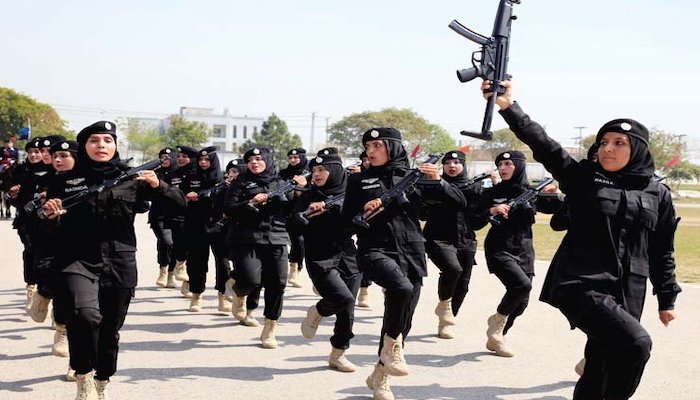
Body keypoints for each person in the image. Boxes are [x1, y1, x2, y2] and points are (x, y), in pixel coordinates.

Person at [483, 80, 681, 399]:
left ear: (639, 149)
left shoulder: (657, 193)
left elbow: (661, 248)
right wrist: (509, 107)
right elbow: (546, 147)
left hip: (629, 289)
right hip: (581, 283)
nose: (607, 148)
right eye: (604, 142)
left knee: (602, 360)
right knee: (636, 344)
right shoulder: (584, 178)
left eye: (619, 143)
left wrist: (666, 296)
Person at [41, 121, 185, 400]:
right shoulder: (65, 179)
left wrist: (159, 186)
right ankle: (82, 375)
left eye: (107, 140)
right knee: (84, 316)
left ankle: (102, 380)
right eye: (94, 140)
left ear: (115, 145)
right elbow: (48, 226)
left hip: (120, 260)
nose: (101, 146)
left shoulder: (130, 177)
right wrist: (50, 216)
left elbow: (179, 203)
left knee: (109, 330)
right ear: (84, 146)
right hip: (77, 258)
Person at [343, 128, 431, 400]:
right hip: (375, 249)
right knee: (401, 289)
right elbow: (346, 221)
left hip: (411, 251)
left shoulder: (412, 178)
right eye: (368, 145)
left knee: (403, 319)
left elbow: (436, 209)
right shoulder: (358, 180)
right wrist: (361, 214)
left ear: (392, 147)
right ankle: (391, 349)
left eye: (377, 145)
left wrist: (438, 183)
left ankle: (379, 376)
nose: (371, 150)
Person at [471, 149, 560, 357]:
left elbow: (558, 209)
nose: (502, 168)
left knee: (521, 303)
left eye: (508, 165)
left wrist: (554, 194)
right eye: (500, 165)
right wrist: (492, 211)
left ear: (519, 166)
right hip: (499, 249)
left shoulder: (532, 192)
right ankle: (497, 322)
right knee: (521, 285)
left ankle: (498, 337)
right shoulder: (491, 193)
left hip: (524, 250)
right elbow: (473, 221)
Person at [224, 147, 306, 348]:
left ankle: (270, 326)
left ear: (268, 160)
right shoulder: (240, 182)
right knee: (252, 279)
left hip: (276, 237)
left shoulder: (281, 183)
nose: (254, 162)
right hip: (246, 237)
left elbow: (292, 210)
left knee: (278, 284)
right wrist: (250, 202)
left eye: (259, 159)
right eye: (251, 159)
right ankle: (239, 291)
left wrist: (299, 191)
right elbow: (229, 208)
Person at [291, 150, 361, 372]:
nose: (317, 174)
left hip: (348, 253)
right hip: (319, 256)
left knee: (348, 307)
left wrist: (332, 207)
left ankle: (338, 353)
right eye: (314, 170)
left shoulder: (351, 193)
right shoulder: (307, 193)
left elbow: (356, 219)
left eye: (322, 169)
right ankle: (319, 310)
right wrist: (304, 213)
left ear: (336, 171)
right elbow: (291, 225)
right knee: (342, 298)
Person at [418, 150, 486, 339]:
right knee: (452, 269)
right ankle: (445, 308)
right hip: (437, 238)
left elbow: (479, 216)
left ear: (463, 165)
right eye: (447, 163)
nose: (452, 166)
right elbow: (421, 214)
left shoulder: (474, 187)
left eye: (456, 163)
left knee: (462, 285)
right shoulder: (432, 184)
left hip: (465, 239)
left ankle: (446, 321)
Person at [180, 146, 222, 312]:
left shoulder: (222, 179)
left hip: (217, 225)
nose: (203, 163)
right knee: (196, 261)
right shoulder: (190, 177)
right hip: (195, 224)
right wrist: (187, 196)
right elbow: (180, 197)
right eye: (201, 160)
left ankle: (223, 295)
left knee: (223, 262)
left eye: (207, 160)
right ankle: (196, 295)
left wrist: (202, 196)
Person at [278, 147, 309, 287]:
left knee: (300, 241)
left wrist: (300, 189)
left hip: (305, 213)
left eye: (296, 157)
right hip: (286, 211)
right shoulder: (283, 173)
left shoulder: (310, 173)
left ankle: (296, 268)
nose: (293, 160)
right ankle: (289, 269)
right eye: (290, 157)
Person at [149, 147, 179, 289]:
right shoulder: (155, 173)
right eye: (162, 157)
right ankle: (163, 268)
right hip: (159, 214)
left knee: (176, 244)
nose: (164, 160)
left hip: (176, 214)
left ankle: (171, 273)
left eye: (167, 157)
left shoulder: (179, 173)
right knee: (166, 241)